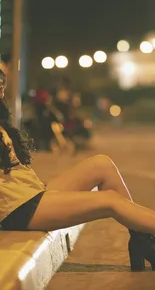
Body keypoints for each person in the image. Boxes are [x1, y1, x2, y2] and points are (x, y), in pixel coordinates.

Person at [1, 68, 155, 272]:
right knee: (110, 200)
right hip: (18, 209)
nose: (1, 83)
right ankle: (144, 242)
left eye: (1, 78)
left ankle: (141, 239)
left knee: (101, 164)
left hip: (30, 192)